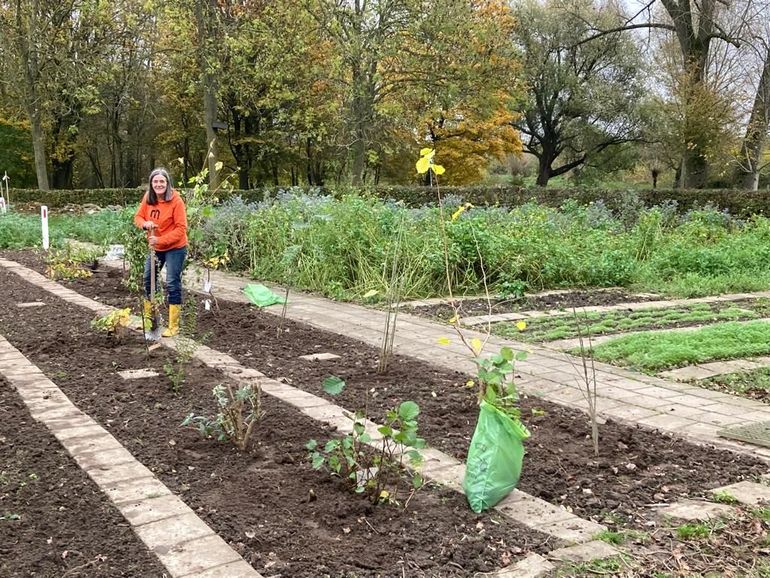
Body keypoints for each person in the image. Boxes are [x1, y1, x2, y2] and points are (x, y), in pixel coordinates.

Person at [134, 167, 188, 337]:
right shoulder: (148, 198)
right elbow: (138, 217)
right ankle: (151, 318)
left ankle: (174, 326)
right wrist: (145, 224)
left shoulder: (176, 201)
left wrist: (160, 240)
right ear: (151, 184)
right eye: (155, 181)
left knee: (172, 282)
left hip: (175, 247)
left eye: (162, 181)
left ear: (167, 183)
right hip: (155, 248)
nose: (158, 184)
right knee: (148, 279)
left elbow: (181, 229)